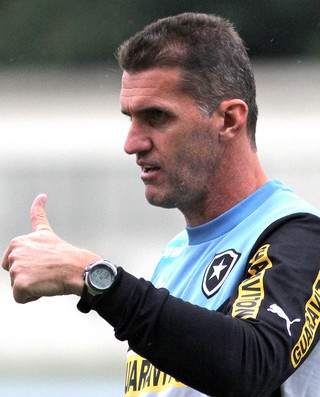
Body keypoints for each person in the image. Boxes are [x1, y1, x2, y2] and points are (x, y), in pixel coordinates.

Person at [2, 12, 320, 397]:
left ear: (230, 120)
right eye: (131, 118)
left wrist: (93, 277)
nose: (132, 143)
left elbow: (251, 365)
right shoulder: (172, 259)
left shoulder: (300, 237)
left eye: (157, 117)